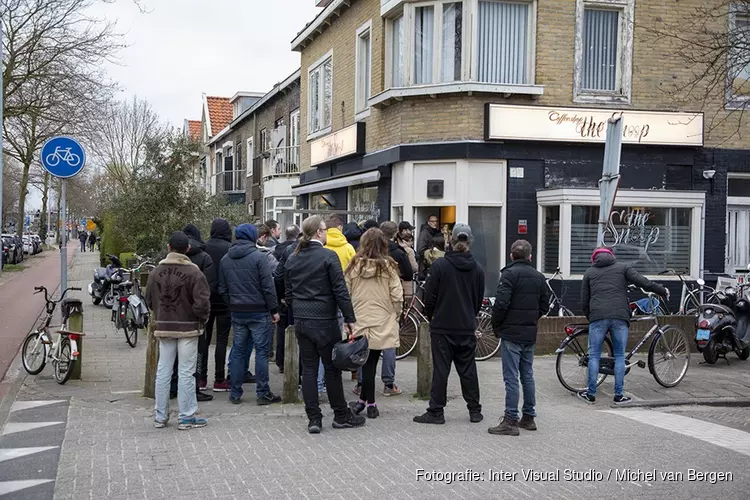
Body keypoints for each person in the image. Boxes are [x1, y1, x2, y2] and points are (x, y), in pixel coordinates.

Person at [285, 215, 365, 433]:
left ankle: (314, 419)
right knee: (331, 369)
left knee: (309, 370)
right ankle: (340, 414)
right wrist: (349, 319)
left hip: (302, 321)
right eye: (325, 230)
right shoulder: (328, 257)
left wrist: (298, 308)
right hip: (325, 320)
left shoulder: (293, 258)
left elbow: (288, 290)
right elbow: (340, 290)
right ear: (318, 233)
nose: (327, 233)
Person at [578, 247, 669, 405]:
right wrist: (661, 290)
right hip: (620, 316)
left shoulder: (589, 273)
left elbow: (584, 300)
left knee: (594, 356)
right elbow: (644, 282)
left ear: (594, 259)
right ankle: (619, 395)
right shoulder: (623, 268)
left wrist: (591, 316)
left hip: (598, 316)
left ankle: (591, 394)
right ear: (612, 256)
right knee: (620, 356)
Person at [414, 223, 484, 425]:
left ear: (450, 241)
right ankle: (474, 410)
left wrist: (431, 315)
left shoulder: (440, 266)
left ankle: (436, 411)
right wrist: (470, 315)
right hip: (466, 325)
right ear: (470, 242)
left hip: (442, 326)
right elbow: (478, 300)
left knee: (441, 369)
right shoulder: (477, 269)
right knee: (468, 369)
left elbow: (429, 297)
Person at [146, 231, 211, 430]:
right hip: (189, 329)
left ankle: (160, 415)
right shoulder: (194, 272)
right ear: (188, 249)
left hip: (164, 327)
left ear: (168, 247)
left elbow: (148, 299)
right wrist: (201, 319)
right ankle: (186, 416)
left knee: (164, 371)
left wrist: (160, 315)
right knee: (186, 373)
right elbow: (202, 303)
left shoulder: (156, 272)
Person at [489, 240, 550, 436]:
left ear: (511, 255)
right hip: (529, 333)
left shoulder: (508, 274)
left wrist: (497, 325)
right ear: (530, 257)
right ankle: (529, 417)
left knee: (511, 377)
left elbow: (501, 304)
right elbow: (544, 306)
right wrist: (531, 318)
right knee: (527, 375)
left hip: (511, 333)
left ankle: (510, 420)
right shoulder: (539, 277)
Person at [218, 223, 281, 406]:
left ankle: (235, 393)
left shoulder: (225, 260)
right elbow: (268, 287)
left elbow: (222, 289)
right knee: (261, 352)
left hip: (238, 311)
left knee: (237, 351)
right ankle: (263, 393)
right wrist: (274, 310)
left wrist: (233, 304)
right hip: (259, 311)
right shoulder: (259, 258)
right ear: (253, 236)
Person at [345, 229, 403, 419]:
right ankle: (370, 404)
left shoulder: (354, 266)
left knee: (366, 363)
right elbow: (397, 295)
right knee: (372, 362)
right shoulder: (389, 267)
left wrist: (348, 317)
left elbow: (346, 291)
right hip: (382, 319)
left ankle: (365, 402)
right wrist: (396, 313)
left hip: (360, 318)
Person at [175, 224, 217, 402]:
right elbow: (209, 286)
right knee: (199, 350)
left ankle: (172, 386)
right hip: (195, 314)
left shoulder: (170, 260)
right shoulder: (204, 257)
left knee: (173, 355)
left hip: (174, 313)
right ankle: (196, 384)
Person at [324, 214, 357, 388]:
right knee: (348, 329)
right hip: (345, 293)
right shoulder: (349, 248)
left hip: (325, 295)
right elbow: (354, 270)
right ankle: (350, 368)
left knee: (331, 333)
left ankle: (330, 364)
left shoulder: (323, 246)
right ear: (340, 228)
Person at [203, 218, 233, 392]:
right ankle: (219, 379)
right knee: (222, 340)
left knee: (204, 340)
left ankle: (201, 378)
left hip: (206, 299)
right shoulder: (230, 249)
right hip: (224, 300)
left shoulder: (204, 247)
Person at [273, 229, 301, 373]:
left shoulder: (282, 249)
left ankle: (282, 362)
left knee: (283, 330)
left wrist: (281, 297)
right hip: (302, 300)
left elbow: (278, 276)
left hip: (287, 299)